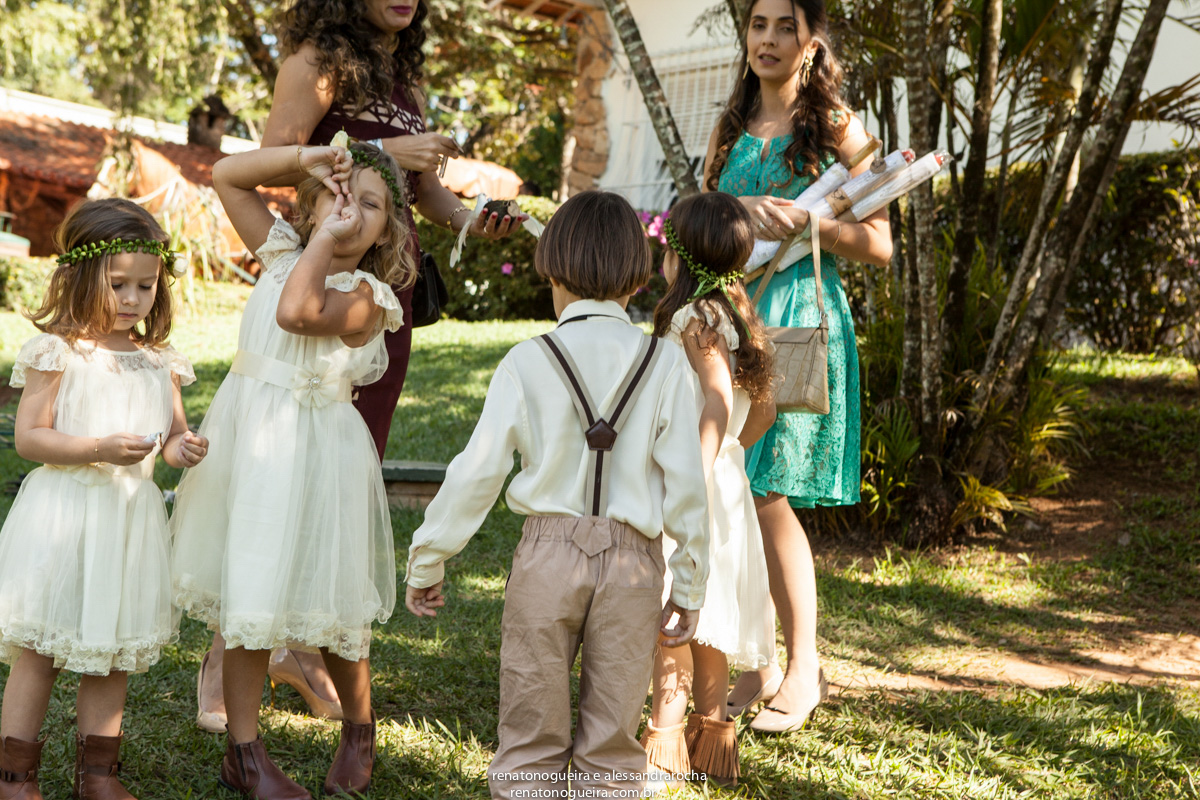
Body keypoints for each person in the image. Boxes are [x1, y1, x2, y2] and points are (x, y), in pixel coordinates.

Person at [194, 0, 528, 729]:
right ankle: (225, 662)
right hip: (317, 275)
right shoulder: (316, 60)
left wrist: (474, 219)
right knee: (277, 475)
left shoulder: (402, 77)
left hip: (383, 292)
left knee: (337, 474)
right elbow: (280, 158)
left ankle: (301, 646)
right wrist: (381, 158)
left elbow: (424, 196)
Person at [405, 191, 711, 800]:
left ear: (552, 267)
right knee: (615, 737)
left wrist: (429, 555)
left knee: (530, 722)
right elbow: (687, 485)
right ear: (636, 272)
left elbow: (477, 471)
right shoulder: (666, 362)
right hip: (634, 564)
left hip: (546, 557)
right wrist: (692, 580)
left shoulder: (527, 361)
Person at [170, 140, 413, 798]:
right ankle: (244, 753)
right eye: (340, 194)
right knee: (251, 597)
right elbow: (226, 174)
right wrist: (307, 157)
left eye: (370, 205)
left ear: (388, 229)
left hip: (318, 453)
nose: (350, 210)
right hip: (253, 449)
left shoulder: (369, 294)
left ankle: (358, 730)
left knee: (334, 603)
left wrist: (323, 241)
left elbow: (297, 312)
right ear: (311, 205)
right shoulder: (283, 252)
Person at [704, 0, 893, 732]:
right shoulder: (731, 127)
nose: (770, 39)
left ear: (811, 42)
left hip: (795, 318)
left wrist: (809, 221)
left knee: (767, 488)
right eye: (758, 25)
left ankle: (805, 669)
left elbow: (880, 246)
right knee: (734, 487)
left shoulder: (842, 129)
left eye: (786, 26)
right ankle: (762, 666)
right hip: (729, 319)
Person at [0, 198, 207, 800]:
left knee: (112, 653)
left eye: (145, 285)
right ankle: (14, 775)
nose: (132, 298)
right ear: (82, 276)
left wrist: (182, 448)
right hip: (65, 515)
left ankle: (98, 776)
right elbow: (30, 438)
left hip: (128, 521)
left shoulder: (158, 361)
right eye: (118, 284)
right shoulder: (59, 352)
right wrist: (97, 446)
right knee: (40, 650)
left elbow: (169, 437)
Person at [641, 193, 776, 789]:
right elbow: (763, 413)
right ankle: (714, 741)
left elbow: (718, 395)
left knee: (672, 618)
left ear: (677, 254)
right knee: (710, 618)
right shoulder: (738, 317)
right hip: (729, 482)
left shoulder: (692, 320)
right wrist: (729, 455)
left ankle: (663, 747)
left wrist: (694, 466)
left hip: (695, 482)